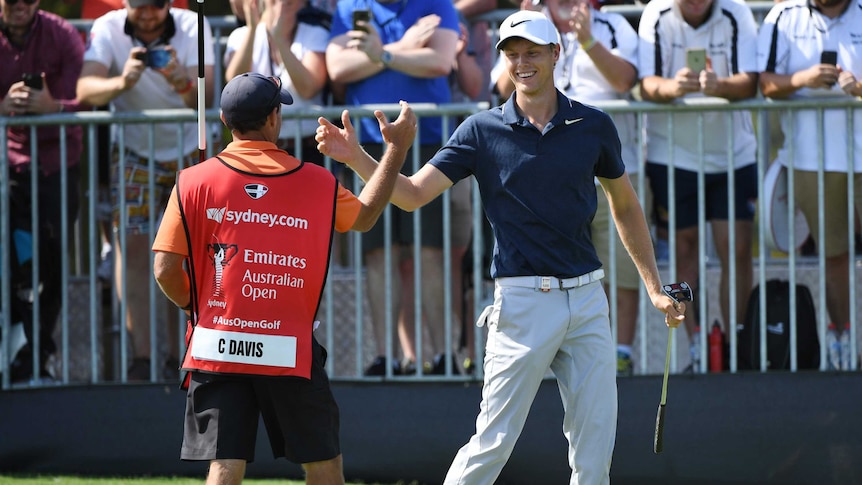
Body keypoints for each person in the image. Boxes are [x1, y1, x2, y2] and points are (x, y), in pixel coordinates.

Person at [316, 10, 684, 483]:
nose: (522, 63)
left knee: (595, 454)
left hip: (590, 299)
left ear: (556, 54)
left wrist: (655, 289)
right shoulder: (479, 130)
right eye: (512, 55)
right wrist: (359, 157)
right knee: (492, 444)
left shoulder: (594, 125)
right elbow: (410, 195)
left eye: (532, 52)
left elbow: (626, 207)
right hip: (521, 304)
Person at [152, 72, 416, 485]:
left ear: (224, 119)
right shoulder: (317, 181)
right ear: (275, 119)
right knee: (324, 466)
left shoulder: (192, 181)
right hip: (288, 348)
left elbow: (165, 270)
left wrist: (196, 306)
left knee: (224, 467)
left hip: (217, 343)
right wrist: (395, 151)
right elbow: (365, 217)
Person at [493, 0, 644, 376]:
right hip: (548, 173)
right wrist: (528, 34)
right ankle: (554, 351)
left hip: (612, 168)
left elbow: (626, 80)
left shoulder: (613, 25)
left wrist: (588, 39)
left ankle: (620, 351)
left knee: (621, 268)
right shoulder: (524, 34)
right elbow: (500, 87)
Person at [76, 0, 215, 381]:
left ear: (169, 4)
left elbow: (205, 96)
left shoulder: (192, 26)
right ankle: (140, 359)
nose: (149, 14)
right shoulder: (107, 27)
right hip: (134, 153)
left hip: (191, 150)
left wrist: (178, 78)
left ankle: (182, 351)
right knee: (133, 249)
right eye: (140, 5)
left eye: (157, 5)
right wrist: (123, 82)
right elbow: (85, 89)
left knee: (186, 254)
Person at [326, 0, 464, 375]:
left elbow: (440, 61)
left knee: (430, 252)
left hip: (428, 138)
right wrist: (403, 50)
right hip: (367, 146)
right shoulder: (349, 6)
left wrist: (379, 54)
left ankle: (443, 357)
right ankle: (386, 358)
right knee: (378, 254)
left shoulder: (437, 3)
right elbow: (337, 68)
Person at [638, 0, 759, 371]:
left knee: (736, 251)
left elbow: (751, 81)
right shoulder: (655, 15)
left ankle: (738, 345)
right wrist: (672, 88)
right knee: (684, 252)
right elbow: (645, 84)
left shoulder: (737, 12)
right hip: (672, 155)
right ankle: (694, 350)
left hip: (732, 155)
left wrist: (719, 85)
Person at [757, 0, 862, 344]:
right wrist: (804, 79)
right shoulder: (783, 15)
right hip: (811, 159)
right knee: (834, 256)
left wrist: (859, 88)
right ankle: (845, 345)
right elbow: (765, 83)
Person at [0, 0, 85, 383]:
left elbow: (86, 96)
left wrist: (54, 105)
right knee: (14, 267)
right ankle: (16, 355)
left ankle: (37, 357)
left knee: (50, 267)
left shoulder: (63, 34)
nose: (20, 5)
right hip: (8, 171)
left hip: (57, 168)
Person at [224, 0, 330, 166]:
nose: (280, 5)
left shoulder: (315, 34)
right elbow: (235, 88)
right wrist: (252, 30)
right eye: (275, 1)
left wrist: (280, 40)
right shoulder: (241, 35)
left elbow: (308, 88)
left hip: (308, 149)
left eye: (288, 2)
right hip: (259, 150)